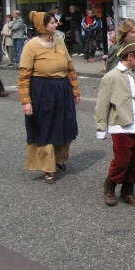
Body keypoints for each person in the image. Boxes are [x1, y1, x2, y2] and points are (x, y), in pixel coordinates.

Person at [96, 36, 135, 206]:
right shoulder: (111, 77)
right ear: (130, 56)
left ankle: (128, 192)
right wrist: (101, 127)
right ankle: (110, 185)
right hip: (121, 125)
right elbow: (102, 104)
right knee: (122, 160)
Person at [20, 11, 80, 184]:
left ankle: (59, 158)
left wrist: (75, 91)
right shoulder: (31, 46)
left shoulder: (60, 42)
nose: (56, 25)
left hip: (62, 88)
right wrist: (26, 101)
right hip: (41, 90)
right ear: (42, 26)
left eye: (56, 22)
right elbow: (24, 76)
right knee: (45, 128)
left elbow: (70, 68)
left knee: (64, 124)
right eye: (52, 23)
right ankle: (48, 168)